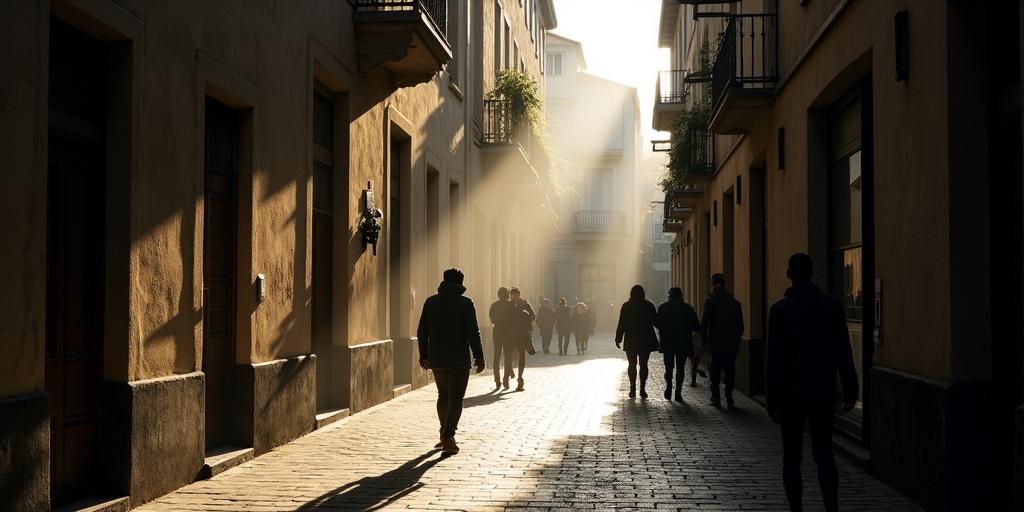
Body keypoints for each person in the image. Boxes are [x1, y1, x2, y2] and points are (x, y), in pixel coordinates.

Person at [767, 254, 858, 512]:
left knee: (792, 457)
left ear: (789, 275)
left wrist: (773, 397)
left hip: (790, 393)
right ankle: (831, 507)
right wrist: (851, 383)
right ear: (812, 272)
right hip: (822, 389)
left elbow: (774, 359)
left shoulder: (780, 310)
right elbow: (843, 349)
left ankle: (797, 508)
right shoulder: (832, 306)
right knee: (825, 454)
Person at [416, 268, 486, 455]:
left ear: (444, 281)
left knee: (443, 395)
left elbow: (422, 330)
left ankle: (443, 432)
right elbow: (473, 332)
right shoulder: (465, 303)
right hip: (458, 358)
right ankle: (448, 435)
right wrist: (479, 357)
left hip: (437, 357)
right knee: (456, 398)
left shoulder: (431, 302)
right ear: (461, 283)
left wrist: (423, 354)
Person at [700, 273, 745, 409]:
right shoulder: (735, 302)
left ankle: (716, 397)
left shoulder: (710, 301)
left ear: (714, 285)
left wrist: (703, 338)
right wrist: (736, 339)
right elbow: (740, 326)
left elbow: (705, 322)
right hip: (731, 343)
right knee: (730, 369)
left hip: (716, 342)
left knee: (715, 370)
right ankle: (729, 397)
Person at [655, 287, 700, 402]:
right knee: (680, 368)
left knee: (668, 367)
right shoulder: (688, 308)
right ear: (681, 296)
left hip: (668, 341)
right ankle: (678, 393)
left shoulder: (663, 307)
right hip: (683, 341)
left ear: (669, 296)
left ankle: (669, 386)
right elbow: (696, 326)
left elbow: (657, 323)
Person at [615, 285, 659, 399]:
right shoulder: (649, 306)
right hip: (646, 339)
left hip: (631, 339)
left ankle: (632, 388)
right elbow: (656, 322)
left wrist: (618, 338)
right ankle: (642, 389)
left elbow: (621, 323)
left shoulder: (626, 306)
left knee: (632, 364)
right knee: (644, 365)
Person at [508, 287, 536, 391]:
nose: (513, 297)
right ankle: (510, 370)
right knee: (509, 354)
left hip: (523, 334)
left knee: (521, 357)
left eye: (515, 295)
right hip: (512, 334)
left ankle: (520, 379)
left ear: (519, 295)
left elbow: (533, 316)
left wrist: (526, 313)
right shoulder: (509, 305)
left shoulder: (525, 304)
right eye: (511, 295)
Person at [488, 287, 515, 389]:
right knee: (508, 356)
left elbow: (492, 318)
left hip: (497, 332)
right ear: (507, 294)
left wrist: (498, 323)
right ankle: (505, 379)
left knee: (497, 356)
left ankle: (497, 379)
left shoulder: (494, 305)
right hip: (508, 333)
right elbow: (514, 319)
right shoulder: (511, 305)